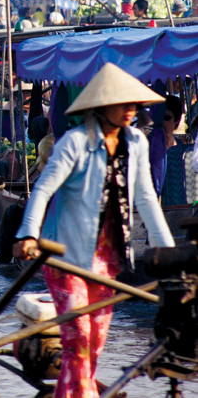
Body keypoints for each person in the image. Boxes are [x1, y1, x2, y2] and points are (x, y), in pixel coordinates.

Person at [13, 63, 174, 398]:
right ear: (102, 107)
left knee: (93, 347)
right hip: (65, 258)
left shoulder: (136, 144)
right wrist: (27, 235)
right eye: (123, 104)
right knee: (79, 343)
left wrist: (170, 254)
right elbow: (43, 189)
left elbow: (146, 199)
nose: (132, 110)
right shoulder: (74, 142)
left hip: (108, 261)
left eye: (135, 104)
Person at [148, 95, 184, 198]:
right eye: (159, 117)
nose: (162, 122)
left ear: (177, 120)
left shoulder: (183, 149)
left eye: (166, 118)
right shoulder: (144, 146)